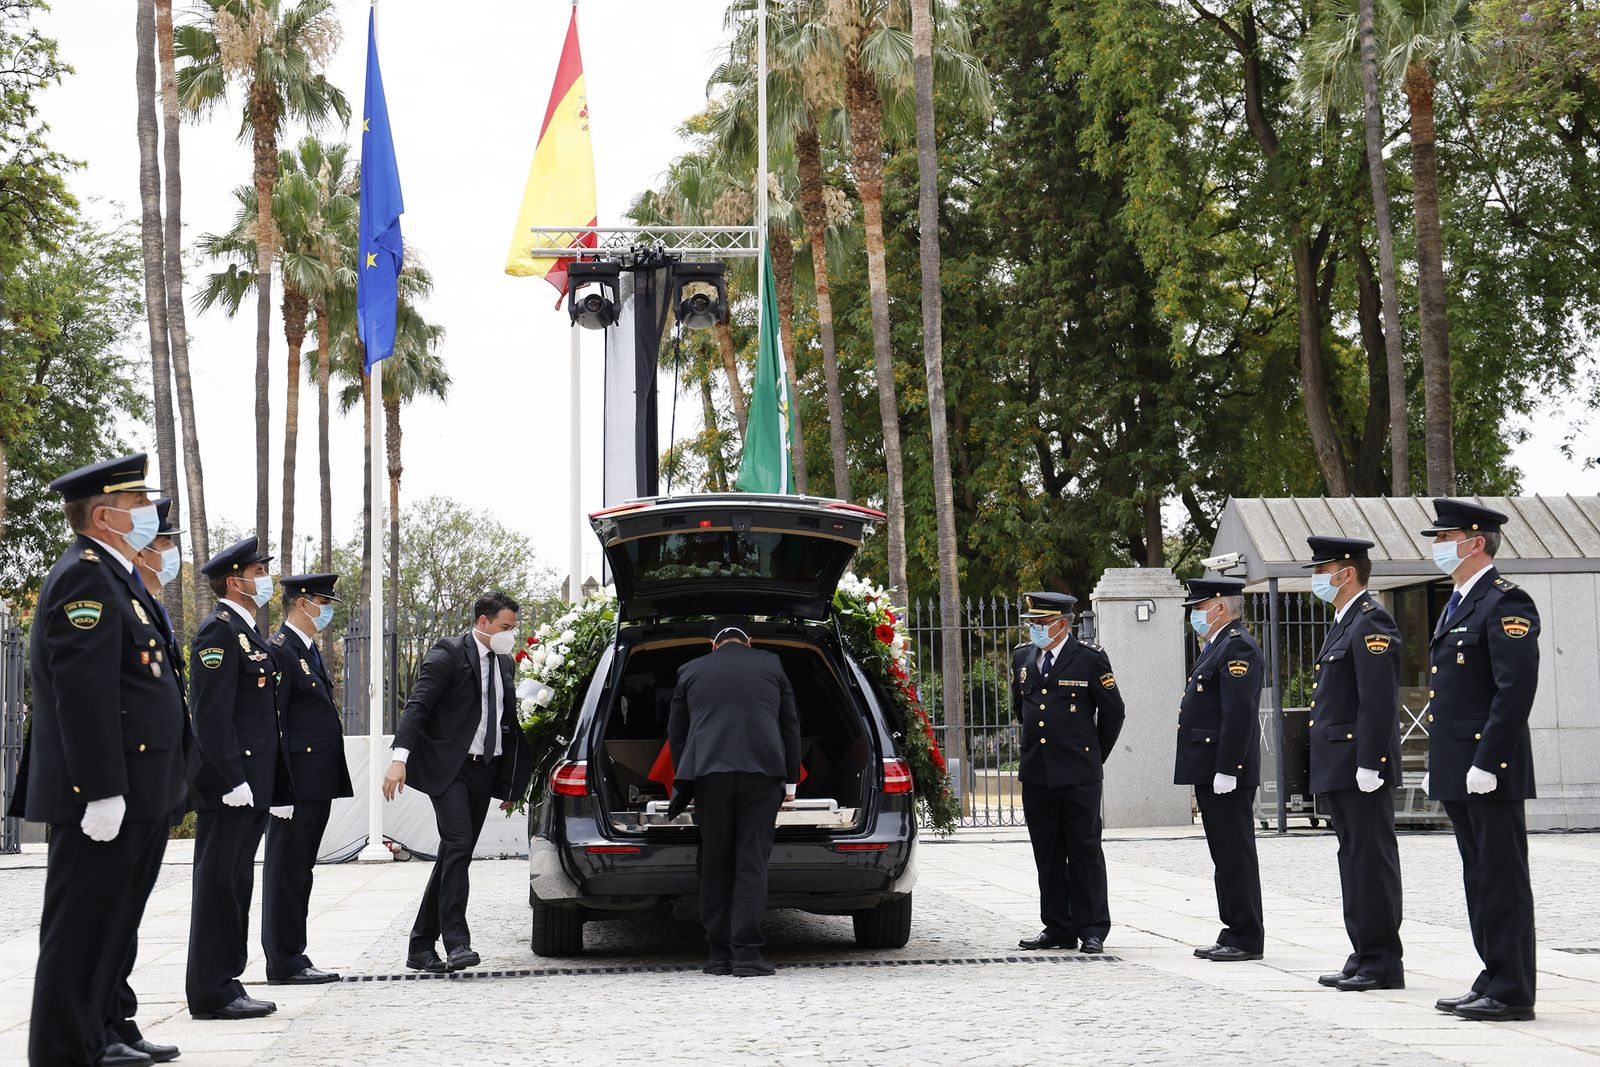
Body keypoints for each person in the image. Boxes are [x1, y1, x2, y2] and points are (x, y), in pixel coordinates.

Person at [10, 455, 189, 1066]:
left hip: (140, 788)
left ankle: (92, 1041)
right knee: (80, 934)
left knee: (109, 931)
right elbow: (81, 693)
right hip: (106, 794)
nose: (149, 513)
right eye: (138, 504)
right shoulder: (83, 577)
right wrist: (101, 789)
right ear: (106, 516)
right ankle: (61, 1054)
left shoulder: (116, 577)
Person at [1420, 499, 1540, 1022]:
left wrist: (1488, 761)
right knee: (1479, 878)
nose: (1438, 547)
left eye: (1445, 539)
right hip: (1461, 766)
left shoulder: (1506, 602)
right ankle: (1492, 974)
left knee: (1501, 878)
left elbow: (1514, 691)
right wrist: (1441, 761)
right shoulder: (1458, 601)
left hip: (1490, 769)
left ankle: (1513, 990)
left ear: (1474, 543)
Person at [383, 592, 534, 974]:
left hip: (485, 770)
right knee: (460, 844)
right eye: (505, 627)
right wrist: (399, 759)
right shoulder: (448, 653)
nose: (510, 635)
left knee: (455, 852)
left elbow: (506, 724)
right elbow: (418, 706)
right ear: (483, 622)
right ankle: (457, 942)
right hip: (450, 770)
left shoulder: (504, 663)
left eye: (513, 628)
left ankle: (420, 946)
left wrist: (511, 783)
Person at [186, 537, 291, 1020]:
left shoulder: (247, 633)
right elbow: (210, 716)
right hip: (231, 788)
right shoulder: (219, 632)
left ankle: (226, 981)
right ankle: (211, 990)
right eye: (258, 572)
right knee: (219, 887)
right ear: (235, 581)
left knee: (235, 885)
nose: (266, 579)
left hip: (253, 784)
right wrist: (230, 778)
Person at [667, 624, 801, 977]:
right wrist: (790, 781)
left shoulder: (690, 669)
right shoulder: (772, 664)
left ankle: (718, 955)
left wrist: (686, 779)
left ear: (712, 645)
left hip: (710, 776)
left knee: (715, 862)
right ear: (749, 642)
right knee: (751, 862)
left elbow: (677, 733)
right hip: (763, 774)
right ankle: (747, 955)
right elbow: (790, 724)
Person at [1303, 535, 1405, 992]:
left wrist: (1371, 762)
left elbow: (1377, 701)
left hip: (1361, 766)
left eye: (1321, 570)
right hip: (1341, 764)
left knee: (1371, 863)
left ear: (1346, 573)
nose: (1316, 578)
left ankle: (1382, 962)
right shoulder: (1345, 622)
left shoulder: (1370, 620)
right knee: (1353, 861)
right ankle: (1363, 951)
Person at [1011, 592, 1126, 955]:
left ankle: (1092, 928)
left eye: (1041, 623)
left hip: (1078, 773)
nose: (1035, 629)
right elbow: (1020, 708)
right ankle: (1057, 926)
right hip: (1037, 771)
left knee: (1084, 850)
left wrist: (1092, 757)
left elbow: (1113, 712)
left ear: (1062, 624)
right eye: (1032, 623)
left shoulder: (1089, 658)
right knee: (1046, 852)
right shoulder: (1022, 657)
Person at [261, 573, 353, 986]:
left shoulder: (307, 650)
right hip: (295, 783)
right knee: (286, 872)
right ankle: (284, 961)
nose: (327, 610)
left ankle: (294, 954)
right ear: (302, 602)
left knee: (300, 871)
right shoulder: (280, 651)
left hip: (314, 780)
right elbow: (274, 723)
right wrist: (278, 786)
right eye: (323, 602)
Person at [1177, 577, 1265, 963]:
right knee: (1224, 856)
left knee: (1235, 855)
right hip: (1211, 769)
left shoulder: (1237, 646)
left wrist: (1228, 768)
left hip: (1225, 772)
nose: (1195, 615)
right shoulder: (1217, 645)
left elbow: (1239, 713)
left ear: (1220, 607)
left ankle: (1246, 936)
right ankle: (1232, 930)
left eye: (1199, 608)